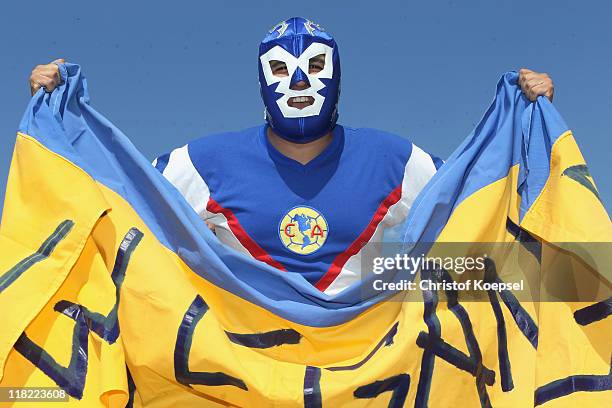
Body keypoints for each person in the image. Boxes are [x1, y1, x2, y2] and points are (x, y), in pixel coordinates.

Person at [29, 17, 554, 295]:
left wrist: (529, 128)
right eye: (282, 69)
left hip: (365, 372)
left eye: (315, 65)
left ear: (338, 77)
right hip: (244, 378)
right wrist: (57, 124)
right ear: (262, 83)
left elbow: (479, 204)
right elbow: (115, 204)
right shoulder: (204, 162)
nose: (300, 81)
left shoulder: (393, 159)